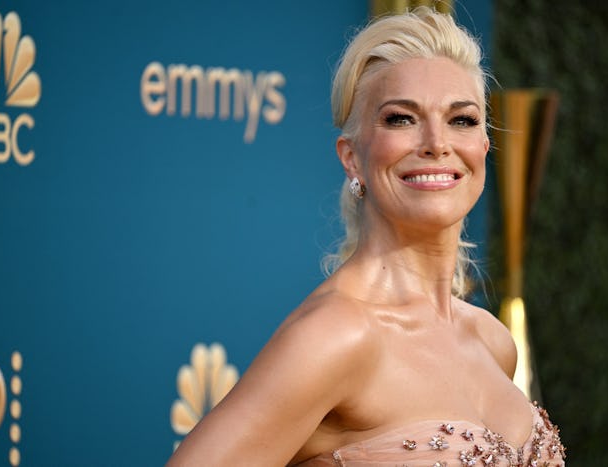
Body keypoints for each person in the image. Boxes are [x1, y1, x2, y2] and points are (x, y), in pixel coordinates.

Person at [166, 6, 566, 466]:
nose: (437, 142)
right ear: (352, 157)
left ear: (482, 147)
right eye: (401, 119)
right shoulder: (335, 335)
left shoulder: (493, 343)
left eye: (462, 119)